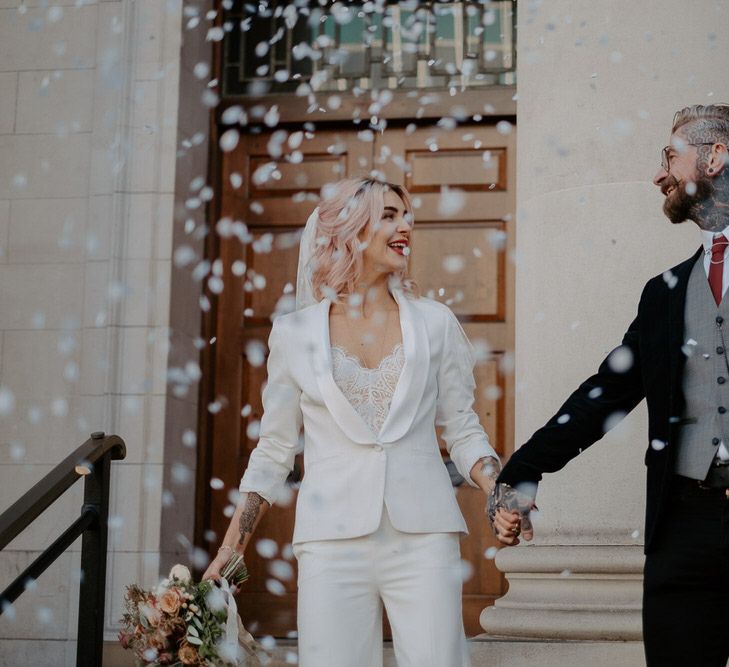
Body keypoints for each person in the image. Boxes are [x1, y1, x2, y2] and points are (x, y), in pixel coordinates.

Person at [203, 177, 500, 667]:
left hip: (423, 537)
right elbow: (274, 450)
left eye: (407, 217)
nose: (405, 227)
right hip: (329, 542)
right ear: (350, 231)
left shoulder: (435, 323)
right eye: (389, 215)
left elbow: (463, 428)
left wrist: (497, 488)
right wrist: (232, 549)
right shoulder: (294, 333)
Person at [488, 104, 729, 667]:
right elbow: (606, 394)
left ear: (715, 157)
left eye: (670, 155)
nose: (659, 174)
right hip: (684, 527)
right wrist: (523, 470)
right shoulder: (665, 294)